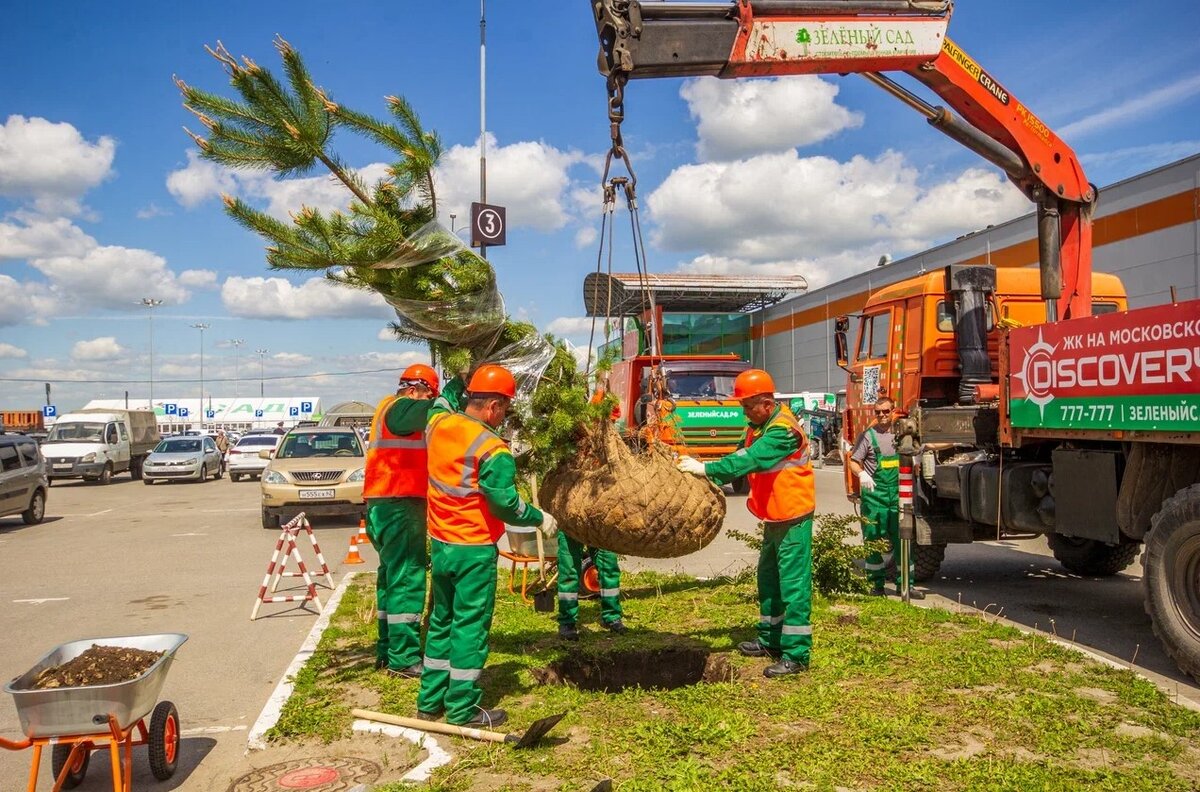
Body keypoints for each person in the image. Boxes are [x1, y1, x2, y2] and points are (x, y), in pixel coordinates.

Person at [417, 364, 557, 727]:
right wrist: (539, 518)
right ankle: (462, 710)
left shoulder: (437, 426)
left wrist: (462, 373)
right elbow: (505, 504)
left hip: (442, 543)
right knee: (469, 628)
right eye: (505, 408)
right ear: (493, 406)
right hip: (473, 549)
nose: (505, 416)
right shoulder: (493, 449)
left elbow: (442, 401)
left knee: (441, 622)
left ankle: (429, 703)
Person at [676, 369, 815, 677]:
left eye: (746, 405)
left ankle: (796, 653)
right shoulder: (759, 425)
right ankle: (770, 640)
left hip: (793, 516)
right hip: (775, 515)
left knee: (792, 586)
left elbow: (749, 459)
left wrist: (706, 469)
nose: (742, 411)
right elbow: (739, 453)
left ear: (765, 403)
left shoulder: (782, 431)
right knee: (769, 581)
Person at [364, 363, 464, 678]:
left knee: (391, 580)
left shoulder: (386, 410)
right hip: (400, 503)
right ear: (413, 390)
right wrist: (454, 388)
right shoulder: (403, 408)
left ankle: (387, 647)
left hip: (382, 503)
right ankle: (404, 659)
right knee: (407, 579)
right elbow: (434, 411)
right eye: (428, 394)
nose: (430, 401)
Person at [849, 397, 923, 599]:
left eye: (885, 411)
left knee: (903, 539)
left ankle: (906, 584)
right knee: (873, 540)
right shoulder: (867, 436)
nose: (882, 415)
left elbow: (923, 447)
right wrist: (861, 474)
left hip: (898, 496)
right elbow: (854, 462)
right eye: (878, 412)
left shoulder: (902, 435)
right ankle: (876, 585)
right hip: (875, 497)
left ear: (893, 411)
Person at [557, 535, 625, 640]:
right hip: (570, 524)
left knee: (608, 565)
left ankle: (612, 617)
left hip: (600, 525)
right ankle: (567, 621)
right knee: (569, 570)